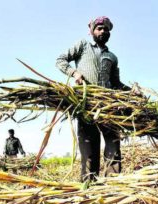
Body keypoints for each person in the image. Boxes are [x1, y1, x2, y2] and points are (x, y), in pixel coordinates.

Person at [56, 16, 131, 182]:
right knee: (89, 148)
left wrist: (132, 92)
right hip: (86, 103)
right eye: (99, 28)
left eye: (106, 29)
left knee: (113, 145)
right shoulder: (83, 46)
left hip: (109, 106)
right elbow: (60, 60)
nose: (103, 31)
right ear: (91, 31)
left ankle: (113, 184)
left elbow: (116, 83)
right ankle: (89, 186)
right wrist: (74, 73)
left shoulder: (112, 57)